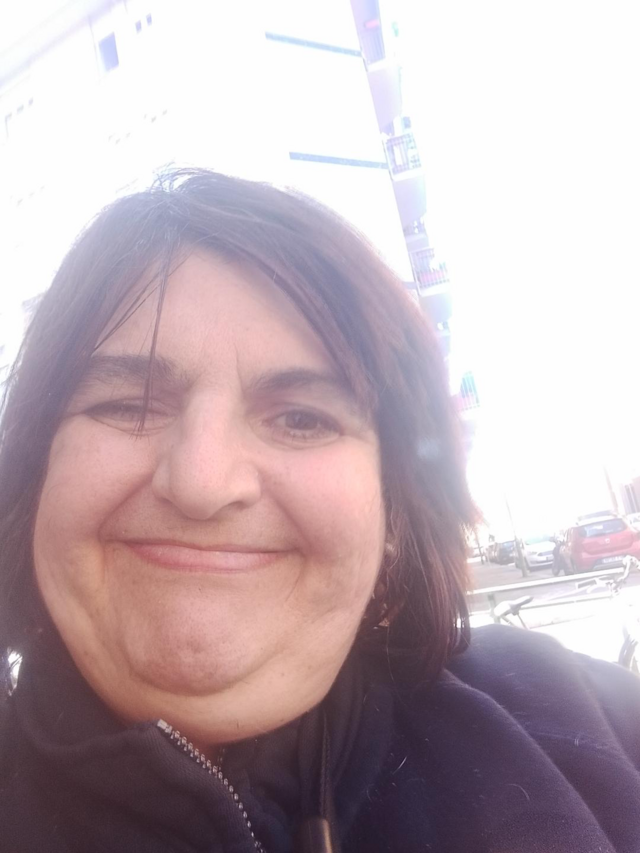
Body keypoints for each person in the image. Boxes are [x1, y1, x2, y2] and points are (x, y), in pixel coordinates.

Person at [1, 169, 640, 853]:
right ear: (34, 471)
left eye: (303, 418)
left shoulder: (589, 724)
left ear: (395, 506)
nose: (202, 482)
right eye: (127, 405)